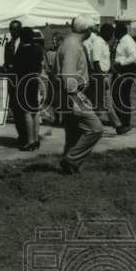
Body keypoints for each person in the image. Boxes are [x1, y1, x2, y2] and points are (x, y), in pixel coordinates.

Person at [57, 15, 103, 175]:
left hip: (69, 95)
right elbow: (68, 75)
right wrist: (77, 98)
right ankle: (71, 160)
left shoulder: (71, 42)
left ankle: (69, 168)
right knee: (95, 129)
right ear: (88, 30)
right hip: (74, 94)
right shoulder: (73, 46)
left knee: (73, 134)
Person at [84, 24, 120, 130]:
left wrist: (115, 72)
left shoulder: (103, 43)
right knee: (106, 102)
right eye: (111, 33)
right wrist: (101, 78)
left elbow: (106, 62)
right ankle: (118, 126)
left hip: (103, 74)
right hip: (100, 75)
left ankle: (93, 125)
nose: (112, 36)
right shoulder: (98, 43)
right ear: (106, 32)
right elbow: (96, 62)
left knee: (98, 103)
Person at [14, 27, 44, 150]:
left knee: (26, 111)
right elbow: (40, 66)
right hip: (34, 80)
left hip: (23, 81)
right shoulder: (37, 49)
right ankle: (36, 139)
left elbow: (16, 67)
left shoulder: (21, 50)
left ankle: (30, 141)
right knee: (35, 111)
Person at [111, 22, 136, 135]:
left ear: (121, 31)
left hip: (126, 70)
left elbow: (134, 57)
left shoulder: (128, 41)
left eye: (116, 31)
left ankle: (125, 122)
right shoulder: (121, 41)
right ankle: (121, 121)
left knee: (122, 97)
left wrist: (120, 63)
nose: (114, 33)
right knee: (117, 96)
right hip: (120, 70)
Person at [2, 20, 25, 142]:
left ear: (20, 29)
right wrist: (4, 68)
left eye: (15, 29)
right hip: (11, 81)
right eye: (11, 29)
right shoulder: (8, 45)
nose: (12, 31)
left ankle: (27, 136)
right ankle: (21, 135)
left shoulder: (25, 44)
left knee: (23, 109)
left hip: (23, 81)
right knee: (15, 109)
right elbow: (6, 62)